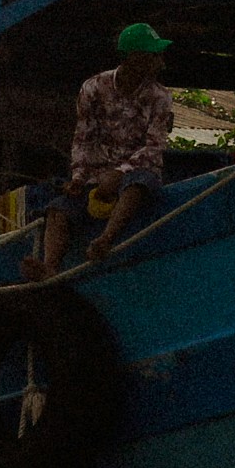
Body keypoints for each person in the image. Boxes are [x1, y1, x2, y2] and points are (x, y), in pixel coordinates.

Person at [29, 22, 174, 280]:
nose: (160, 62)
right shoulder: (93, 88)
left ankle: (105, 240)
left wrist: (120, 172)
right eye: (154, 55)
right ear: (135, 58)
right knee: (58, 209)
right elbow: (83, 137)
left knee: (136, 185)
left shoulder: (160, 96)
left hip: (137, 171)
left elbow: (154, 146)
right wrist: (78, 177)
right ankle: (50, 267)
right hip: (97, 173)